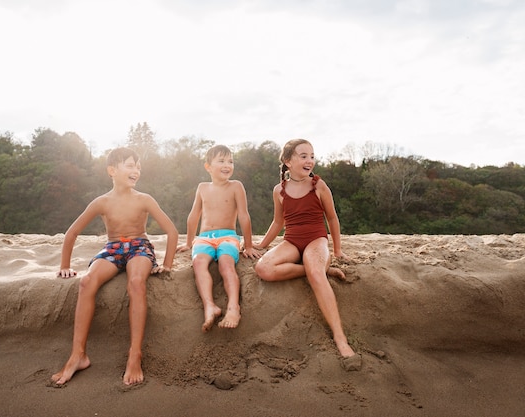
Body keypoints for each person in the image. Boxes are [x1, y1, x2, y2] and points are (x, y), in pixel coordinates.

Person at [51, 147, 178, 386]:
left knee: (136, 282)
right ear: (112, 170)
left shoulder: (144, 199)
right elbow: (72, 233)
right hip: (112, 249)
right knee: (87, 281)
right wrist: (64, 265)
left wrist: (168, 264)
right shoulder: (102, 202)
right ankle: (78, 355)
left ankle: (135, 354)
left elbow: (171, 231)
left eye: (138, 167)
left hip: (139, 247)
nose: (136, 170)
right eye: (130, 165)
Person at [254, 139, 361, 371]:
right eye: (303, 156)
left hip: (316, 239)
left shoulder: (318, 186)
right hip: (292, 240)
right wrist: (261, 245)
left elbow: (332, 218)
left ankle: (340, 338)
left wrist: (338, 250)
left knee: (315, 271)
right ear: (287, 161)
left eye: (311, 155)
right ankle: (321, 270)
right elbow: (278, 222)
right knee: (263, 268)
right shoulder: (279, 190)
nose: (309, 160)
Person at [178, 145, 261, 332]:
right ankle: (210, 306)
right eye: (221, 161)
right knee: (199, 263)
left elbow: (244, 216)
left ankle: (233, 307)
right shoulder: (202, 188)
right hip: (204, 238)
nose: (227, 165)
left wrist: (247, 245)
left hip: (228, 236)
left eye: (230, 161)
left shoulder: (235, 186)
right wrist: (188, 241)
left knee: (225, 263)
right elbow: (194, 216)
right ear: (208, 166)